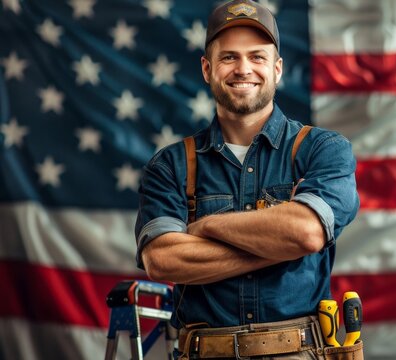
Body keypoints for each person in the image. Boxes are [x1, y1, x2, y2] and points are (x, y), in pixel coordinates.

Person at [134, 0, 360, 358]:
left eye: (257, 57)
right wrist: (281, 244)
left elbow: (306, 232)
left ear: (277, 69)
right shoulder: (170, 165)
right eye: (229, 58)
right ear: (207, 69)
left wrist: (203, 227)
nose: (244, 69)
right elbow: (163, 260)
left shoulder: (323, 150)